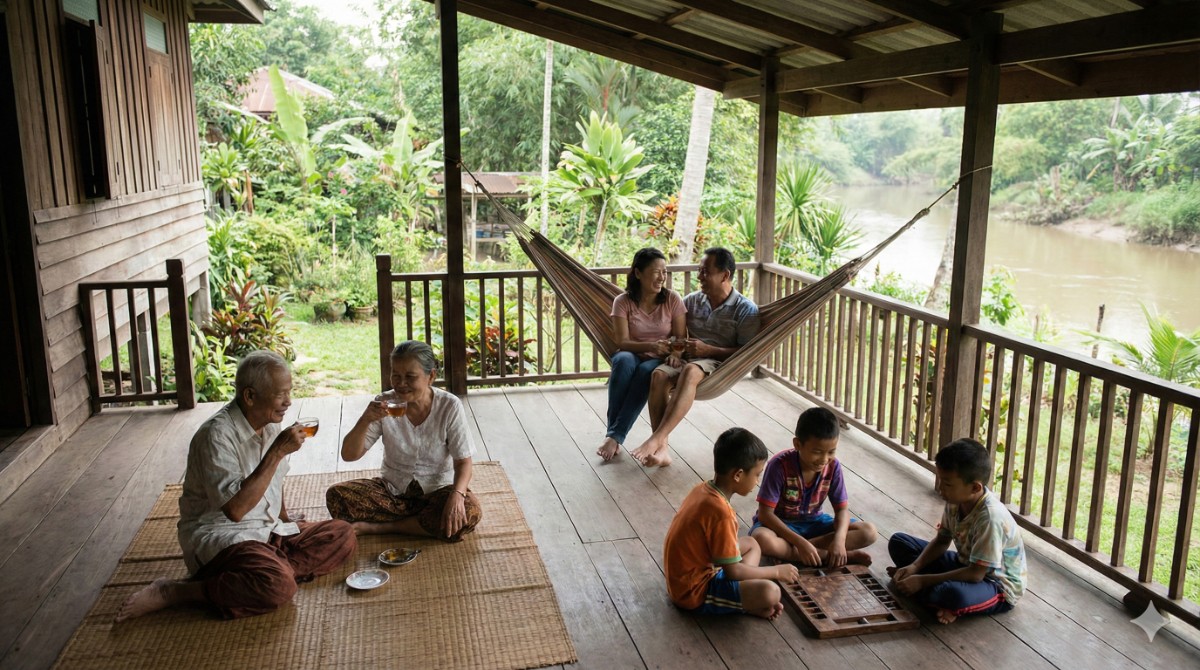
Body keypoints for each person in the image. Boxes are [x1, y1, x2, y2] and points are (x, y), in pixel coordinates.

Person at [115, 351, 358, 622]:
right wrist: (276, 453)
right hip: (225, 537)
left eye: (289, 392)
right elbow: (236, 510)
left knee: (343, 534)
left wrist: (287, 521)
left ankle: (267, 571)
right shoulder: (215, 436)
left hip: (266, 531)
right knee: (279, 586)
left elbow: (275, 481)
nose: (289, 402)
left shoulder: (268, 425)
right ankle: (178, 592)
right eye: (281, 394)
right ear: (250, 396)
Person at [326, 340, 482, 541]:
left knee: (469, 512)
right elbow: (349, 455)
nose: (401, 384)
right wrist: (365, 419)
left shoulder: (449, 406)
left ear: (431, 376)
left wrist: (457, 495)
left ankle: (379, 528)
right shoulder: (383, 403)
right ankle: (420, 523)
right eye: (396, 376)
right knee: (337, 496)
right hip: (392, 491)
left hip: (438, 491)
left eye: (410, 377)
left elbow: (463, 462)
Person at [631, 247, 759, 467]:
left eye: (705, 272)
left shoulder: (745, 310)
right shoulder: (690, 301)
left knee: (691, 370)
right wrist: (676, 352)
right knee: (658, 375)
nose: (699, 277)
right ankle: (662, 451)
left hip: (719, 364)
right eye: (699, 270)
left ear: (725, 275)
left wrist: (708, 350)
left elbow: (748, 352)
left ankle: (656, 439)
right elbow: (675, 334)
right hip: (688, 359)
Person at [663, 427, 799, 620]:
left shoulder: (703, 489)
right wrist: (777, 571)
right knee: (771, 592)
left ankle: (742, 597)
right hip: (693, 592)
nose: (758, 481)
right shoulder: (722, 513)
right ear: (738, 475)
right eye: (756, 474)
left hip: (690, 574)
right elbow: (733, 571)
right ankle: (742, 602)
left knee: (752, 544)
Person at [887, 438, 1027, 625]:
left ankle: (938, 598)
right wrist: (915, 567)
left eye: (947, 483)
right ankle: (926, 592)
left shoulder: (990, 518)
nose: (940, 488)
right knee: (900, 543)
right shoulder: (955, 501)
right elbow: (942, 541)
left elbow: (977, 574)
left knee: (951, 594)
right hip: (965, 564)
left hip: (995, 584)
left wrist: (922, 580)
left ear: (975, 487)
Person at [750, 407, 877, 566]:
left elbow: (841, 509)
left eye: (831, 452)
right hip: (782, 525)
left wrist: (839, 540)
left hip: (815, 524)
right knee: (761, 539)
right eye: (817, 452)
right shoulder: (779, 465)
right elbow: (765, 514)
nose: (824, 459)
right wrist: (800, 543)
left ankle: (794, 554)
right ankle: (827, 555)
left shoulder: (833, 467)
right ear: (797, 444)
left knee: (868, 532)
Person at [597, 247, 687, 461]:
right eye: (656, 272)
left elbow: (680, 337)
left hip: (659, 358)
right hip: (632, 351)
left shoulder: (672, 300)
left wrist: (676, 353)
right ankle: (614, 435)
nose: (662, 277)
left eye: (664, 272)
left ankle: (614, 436)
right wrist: (651, 345)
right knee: (623, 362)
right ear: (638, 273)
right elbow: (622, 341)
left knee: (646, 372)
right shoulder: (623, 301)